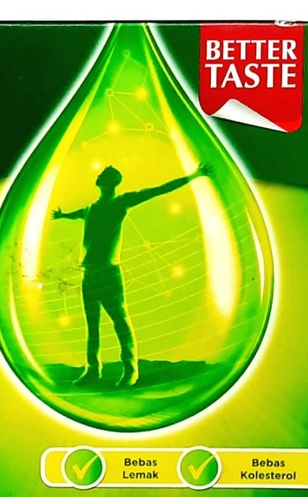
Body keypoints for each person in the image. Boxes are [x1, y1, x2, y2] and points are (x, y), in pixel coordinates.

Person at [51, 163, 211, 387]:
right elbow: (78, 215)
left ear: (111, 182)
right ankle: (92, 369)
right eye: (100, 174)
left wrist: (193, 176)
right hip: (89, 273)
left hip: (108, 272)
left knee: (120, 321)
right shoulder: (91, 208)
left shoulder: (121, 203)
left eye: (103, 175)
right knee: (92, 325)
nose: (99, 176)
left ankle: (130, 370)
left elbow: (158, 190)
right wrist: (63, 215)